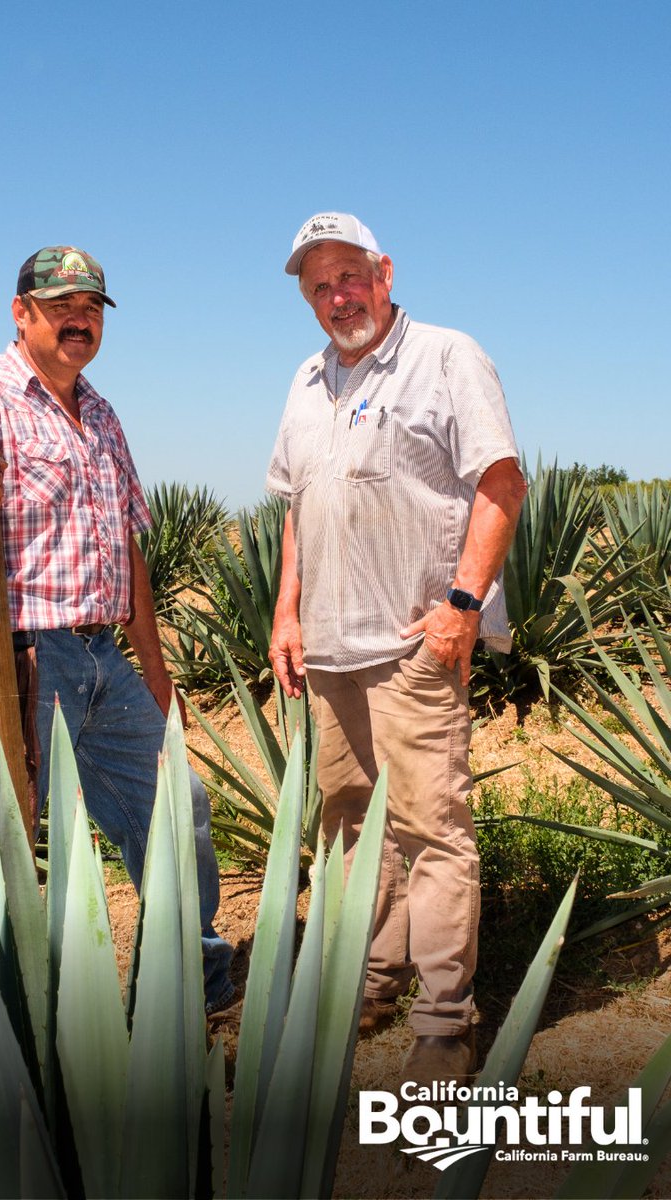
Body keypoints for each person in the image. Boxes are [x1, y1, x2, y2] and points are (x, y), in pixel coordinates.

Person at [0, 245, 234, 1015]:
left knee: (175, 805)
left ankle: (190, 978)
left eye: (90, 307)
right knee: (0, 846)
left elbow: (129, 547)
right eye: (60, 307)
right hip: (5, 658)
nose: (78, 319)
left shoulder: (102, 413)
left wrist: (154, 672)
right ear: (22, 314)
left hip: (101, 656)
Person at [266, 213, 527, 1084]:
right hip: (330, 650)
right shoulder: (306, 382)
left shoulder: (448, 356)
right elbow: (300, 507)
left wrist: (462, 604)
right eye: (318, 286)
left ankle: (445, 1021)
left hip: (416, 644)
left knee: (430, 828)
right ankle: (372, 979)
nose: (337, 296)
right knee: (349, 825)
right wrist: (286, 614)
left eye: (348, 275)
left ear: (383, 271)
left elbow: (501, 479)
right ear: (307, 301)